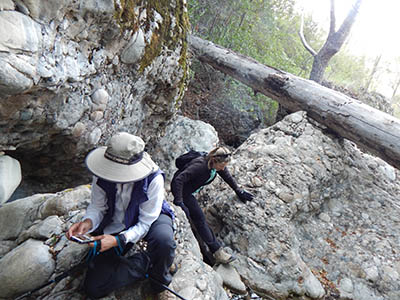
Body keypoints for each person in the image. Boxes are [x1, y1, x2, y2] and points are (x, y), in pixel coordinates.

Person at [66, 132, 176, 300]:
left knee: (164, 241)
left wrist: (119, 240)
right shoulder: (101, 173)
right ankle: (145, 262)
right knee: (93, 288)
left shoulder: (153, 179)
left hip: (151, 218)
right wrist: (88, 222)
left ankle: (159, 281)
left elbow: (146, 223)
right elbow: (97, 206)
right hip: (115, 222)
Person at [171, 146, 254, 264]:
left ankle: (212, 250)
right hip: (183, 191)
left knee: (198, 219)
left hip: (189, 191)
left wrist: (238, 191)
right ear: (215, 161)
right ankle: (217, 252)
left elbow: (227, 177)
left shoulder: (215, 165)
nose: (224, 168)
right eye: (222, 165)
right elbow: (179, 179)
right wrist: (179, 201)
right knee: (199, 219)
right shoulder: (200, 166)